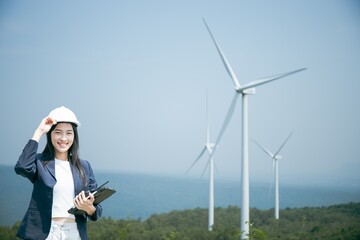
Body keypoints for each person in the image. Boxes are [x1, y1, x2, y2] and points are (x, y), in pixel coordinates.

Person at [15, 106, 102, 240]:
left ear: (74, 135)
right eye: (58, 132)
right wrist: (39, 131)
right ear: (50, 134)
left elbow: (97, 211)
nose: (63, 138)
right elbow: (22, 166)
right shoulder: (39, 162)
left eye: (69, 133)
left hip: (75, 233)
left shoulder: (84, 166)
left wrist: (89, 208)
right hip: (46, 233)